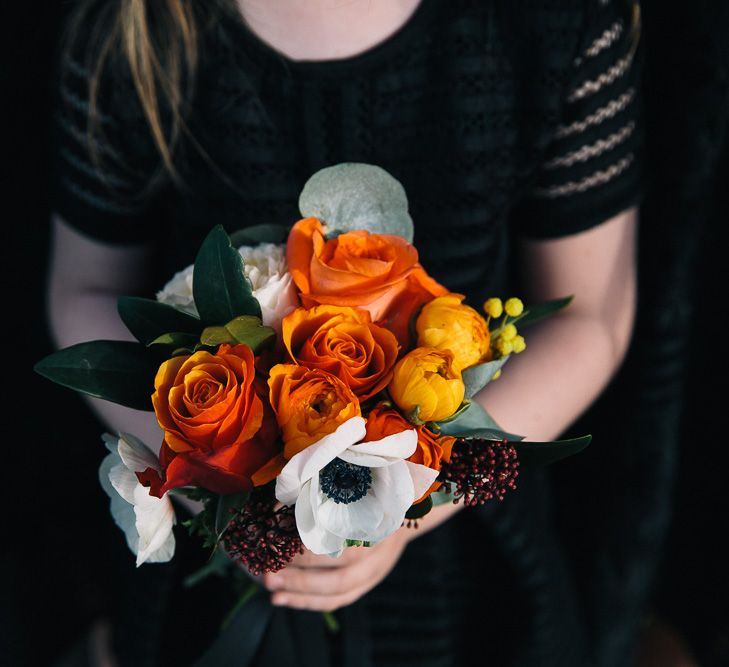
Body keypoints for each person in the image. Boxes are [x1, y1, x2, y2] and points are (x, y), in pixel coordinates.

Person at [47, 0, 642, 665]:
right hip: (212, 581)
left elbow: (590, 314)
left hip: (468, 567)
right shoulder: (135, 28)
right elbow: (84, 291)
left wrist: (400, 494)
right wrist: (215, 474)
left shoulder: (557, 26)